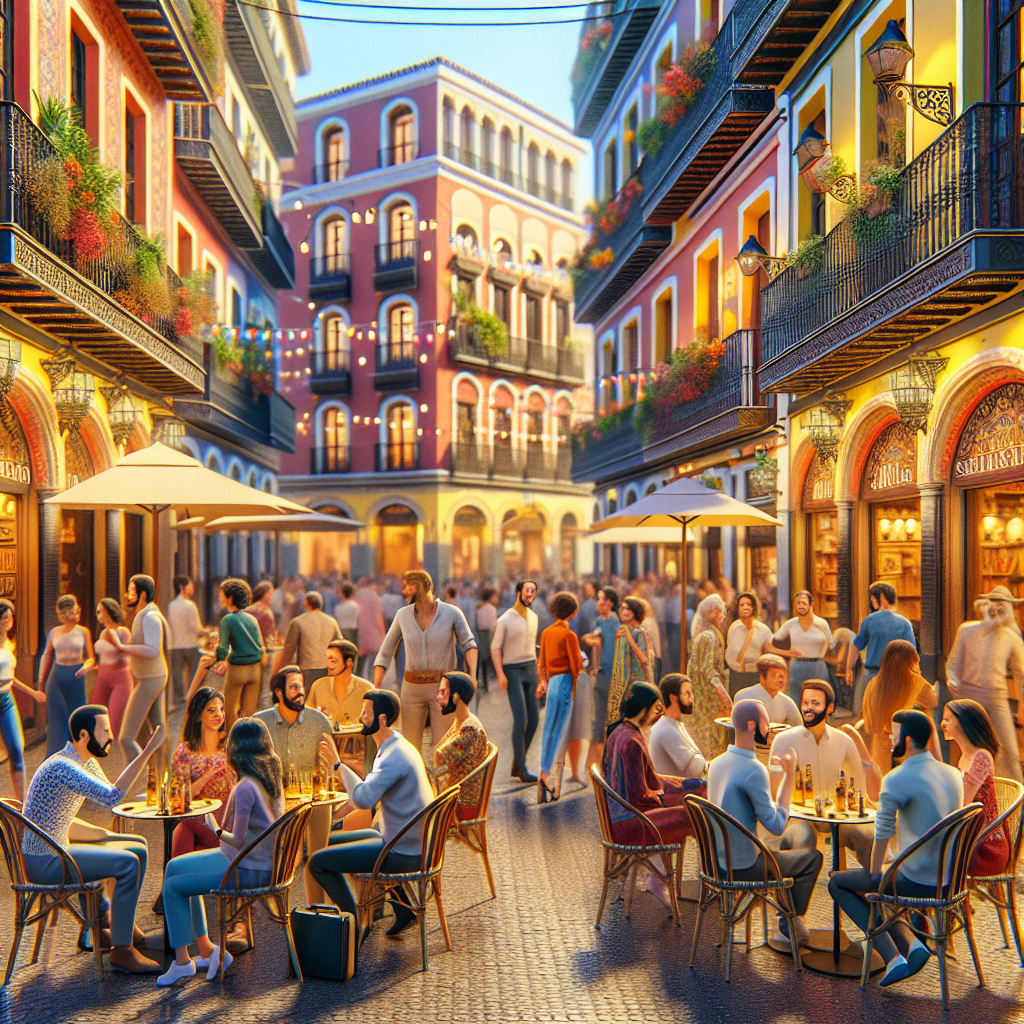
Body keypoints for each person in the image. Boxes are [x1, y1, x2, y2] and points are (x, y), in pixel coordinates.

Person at [21, 705, 165, 972]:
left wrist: (104, 835)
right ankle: (122, 951)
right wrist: (148, 751)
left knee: (138, 847)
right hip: (46, 860)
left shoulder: (84, 761)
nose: (111, 736)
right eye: (106, 730)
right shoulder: (63, 767)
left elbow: (65, 814)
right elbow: (113, 797)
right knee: (128, 863)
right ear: (85, 735)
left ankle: (119, 927)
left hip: (57, 848)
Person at [828, 710, 963, 986]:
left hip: (917, 880)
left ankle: (892, 957)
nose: (890, 738)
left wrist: (876, 872)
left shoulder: (896, 778)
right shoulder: (952, 774)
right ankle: (911, 944)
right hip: (951, 880)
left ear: (908, 739)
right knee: (882, 881)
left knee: (841, 883)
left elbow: (883, 833)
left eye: (895, 733)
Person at [157, 717, 286, 986]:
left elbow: (236, 840)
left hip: (243, 867)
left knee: (172, 886)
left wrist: (214, 827)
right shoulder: (268, 782)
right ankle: (208, 951)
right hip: (257, 864)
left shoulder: (245, 788)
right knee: (175, 867)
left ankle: (182, 963)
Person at [308, 689, 434, 938]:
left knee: (318, 862)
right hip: (404, 840)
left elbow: (364, 799)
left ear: (382, 718)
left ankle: (351, 922)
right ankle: (402, 909)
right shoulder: (394, 744)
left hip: (401, 852)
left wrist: (337, 765)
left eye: (366, 713)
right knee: (323, 842)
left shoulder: (393, 756)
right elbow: (367, 790)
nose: (360, 717)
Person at [707, 699, 823, 948]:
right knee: (812, 858)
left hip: (715, 863)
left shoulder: (716, 764)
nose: (769, 727)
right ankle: (788, 920)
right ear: (752, 725)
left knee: (794, 839)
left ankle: (785, 917)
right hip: (744, 866)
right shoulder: (753, 769)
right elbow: (777, 825)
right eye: (765, 722)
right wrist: (789, 776)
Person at [602, 683, 701, 905]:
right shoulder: (632, 742)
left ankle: (662, 875)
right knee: (695, 816)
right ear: (644, 710)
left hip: (618, 819)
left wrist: (683, 784)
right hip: (631, 824)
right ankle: (665, 879)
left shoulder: (619, 732)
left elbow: (650, 779)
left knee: (692, 798)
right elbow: (641, 798)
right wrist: (665, 799)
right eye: (657, 709)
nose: (659, 715)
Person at [771, 679, 882, 869]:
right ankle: (793, 897)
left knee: (868, 836)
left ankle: (873, 893)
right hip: (798, 817)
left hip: (835, 816)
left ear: (829, 708)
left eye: (815, 703)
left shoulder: (844, 740)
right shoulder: (784, 740)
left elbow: (863, 791)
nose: (808, 708)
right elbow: (774, 794)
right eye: (806, 703)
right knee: (802, 838)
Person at [375, 570, 478, 762]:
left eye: (407, 585)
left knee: (443, 748)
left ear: (421, 586)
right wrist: (377, 684)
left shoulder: (452, 613)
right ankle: (416, 789)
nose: (403, 590)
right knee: (410, 749)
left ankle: (443, 789)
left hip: (443, 688)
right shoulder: (402, 615)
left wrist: (472, 676)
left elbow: (469, 644)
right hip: (411, 688)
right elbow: (386, 650)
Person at [254, 666, 334, 904]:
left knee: (318, 858)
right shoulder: (260, 723)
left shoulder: (319, 721)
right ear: (279, 692)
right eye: (294, 687)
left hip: (314, 799)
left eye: (302, 687)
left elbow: (330, 762)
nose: (301, 692)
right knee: (284, 858)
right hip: (277, 801)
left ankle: (317, 912)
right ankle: (278, 913)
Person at [946, 586, 1024, 783]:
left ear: (1008, 609)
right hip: (968, 696)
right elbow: (953, 663)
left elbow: (1021, 674)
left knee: (1008, 750)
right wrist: (955, 691)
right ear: (985, 604)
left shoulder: (1012, 637)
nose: (996, 608)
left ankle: (1013, 798)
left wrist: (1022, 705)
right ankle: (964, 792)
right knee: (966, 746)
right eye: (993, 602)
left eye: (1001, 604)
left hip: (997, 698)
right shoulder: (966, 630)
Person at [941, 699, 1011, 877]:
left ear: (964, 722)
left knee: (932, 850)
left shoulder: (980, 757)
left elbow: (962, 805)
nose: (943, 724)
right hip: (972, 838)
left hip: (985, 848)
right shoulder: (966, 756)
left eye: (948, 719)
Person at [113, 574, 170, 772]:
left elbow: (152, 650)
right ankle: (160, 780)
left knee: (126, 737)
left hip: (150, 679)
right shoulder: (144, 614)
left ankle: (136, 782)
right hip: (151, 677)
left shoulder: (151, 617)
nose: (127, 595)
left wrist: (123, 648)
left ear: (142, 594)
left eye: (131, 591)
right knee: (158, 734)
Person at [860, 639, 938, 772]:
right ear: (912, 659)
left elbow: (868, 720)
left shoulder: (873, 683)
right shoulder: (915, 680)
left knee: (883, 784)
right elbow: (933, 702)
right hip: (906, 743)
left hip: (879, 744)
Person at [536, 591, 584, 802]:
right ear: (573, 613)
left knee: (550, 730)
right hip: (566, 683)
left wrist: (543, 681)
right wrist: (576, 689)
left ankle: (544, 773)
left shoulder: (546, 633)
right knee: (562, 732)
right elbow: (577, 667)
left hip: (552, 682)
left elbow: (541, 663)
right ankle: (551, 778)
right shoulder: (569, 636)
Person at [490, 580, 539, 783]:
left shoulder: (534, 617)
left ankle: (519, 762)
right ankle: (522, 766)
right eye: (527, 590)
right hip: (512, 670)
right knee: (521, 718)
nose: (530, 594)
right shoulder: (505, 619)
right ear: (518, 592)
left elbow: (532, 645)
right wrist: (501, 674)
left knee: (534, 719)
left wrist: (540, 673)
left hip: (530, 668)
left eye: (533, 591)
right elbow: (495, 648)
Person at [845, 582, 917, 717]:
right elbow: (911, 652)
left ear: (879, 598)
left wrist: (849, 668)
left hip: (874, 675)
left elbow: (856, 645)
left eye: (873, 597)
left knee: (871, 714)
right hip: (898, 677)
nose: (872, 601)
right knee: (895, 715)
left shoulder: (869, 621)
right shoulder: (905, 623)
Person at [0, 600, 45, 805]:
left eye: (9, 617)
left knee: (17, 751)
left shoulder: (10, 643)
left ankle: (22, 804)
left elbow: (10, 677)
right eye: (3, 617)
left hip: (6, 701)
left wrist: (31, 692)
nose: (7, 621)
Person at [38, 595, 94, 757]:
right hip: (56, 678)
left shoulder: (83, 631)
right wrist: (41, 681)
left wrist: (86, 667)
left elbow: (90, 657)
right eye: (66, 611)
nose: (70, 614)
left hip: (76, 675)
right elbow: (46, 655)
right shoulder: (54, 632)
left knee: (78, 719)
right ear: (60, 613)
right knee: (57, 723)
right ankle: (55, 761)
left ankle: (79, 759)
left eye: (72, 610)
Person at [210, 578, 265, 731]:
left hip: (237, 670)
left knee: (229, 712)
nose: (219, 598)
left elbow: (223, 649)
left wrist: (218, 659)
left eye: (221, 595)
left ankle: (232, 744)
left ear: (230, 598)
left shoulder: (228, 620)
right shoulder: (252, 619)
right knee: (250, 714)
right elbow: (260, 645)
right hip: (255, 669)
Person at [433, 671, 488, 819]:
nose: (438, 697)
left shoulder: (468, 728)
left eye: (443, 692)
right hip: (456, 794)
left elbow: (438, 759)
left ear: (456, 696)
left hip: (463, 803)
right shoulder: (461, 721)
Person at [769, 590, 834, 704]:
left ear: (810, 604)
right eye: (798, 603)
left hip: (817, 666)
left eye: (803, 603)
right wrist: (787, 653)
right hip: (797, 665)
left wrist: (822, 654)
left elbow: (830, 643)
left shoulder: (821, 623)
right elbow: (770, 643)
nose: (801, 606)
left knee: (819, 699)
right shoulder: (791, 624)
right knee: (796, 700)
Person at [687, 594, 732, 761]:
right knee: (712, 737)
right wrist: (722, 693)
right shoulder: (709, 636)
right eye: (721, 613)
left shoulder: (707, 634)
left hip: (703, 695)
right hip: (708, 697)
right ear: (714, 612)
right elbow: (707, 670)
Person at [582, 587, 620, 774]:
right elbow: (595, 645)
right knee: (603, 720)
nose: (598, 603)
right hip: (604, 674)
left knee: (604, 720)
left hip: (610, 676)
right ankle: (598, 764)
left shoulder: (615, 623)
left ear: (609, 603)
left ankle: (597, 764)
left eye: (601, 600)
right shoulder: (600, 621)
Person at [89, 599, 134, 754]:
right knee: (94, 715)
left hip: (120, 676)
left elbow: (125, 654)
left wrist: (113, 638)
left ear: (109, 612)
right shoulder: (103, 632)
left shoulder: (123, 632)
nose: (98, 615)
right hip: (102, 676)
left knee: (114, 724)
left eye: (100, 611)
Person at [273, 591, 342, 687]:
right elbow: (340, 644)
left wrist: (281, 669)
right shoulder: (332, 621)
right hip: (328, 668)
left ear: (307, 603)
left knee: (308, 699)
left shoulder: (298, 622)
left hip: (307, 668)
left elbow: (289, 650)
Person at [605, 597, 654, 732]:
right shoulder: (623, 630)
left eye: (629, 609)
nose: (624, 611)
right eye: (623, 608)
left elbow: (645, 659)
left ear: (635, 612)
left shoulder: (640, 633)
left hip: (638, 681)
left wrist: (629, 639)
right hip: (626, 682)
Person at [648, 673, 706, 779]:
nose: (691, 698)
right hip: (678, 793)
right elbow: (696, 769)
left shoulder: (673, 723)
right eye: (687, 693)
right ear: (673, 698)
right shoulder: (666, 729)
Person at [308, 638, 374, 727]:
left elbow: (373, 723)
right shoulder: (319, 685)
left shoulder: (367, 689)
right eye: (327, 659)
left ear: (349, 662)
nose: (328, 664)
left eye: (333, 660)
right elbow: (307, 717)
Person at [725, 591, 773, 697]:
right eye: (742, 605)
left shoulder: (762, 630)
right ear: (737, 608)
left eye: (749, 604)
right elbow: (730, 650)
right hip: (737, 675)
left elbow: (768, 650)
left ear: (754, 607)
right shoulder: (734, 628)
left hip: (754, 674)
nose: (745, 607)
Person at [733, 653, 801, 726]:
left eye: (781, 676)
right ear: (762, 677)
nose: (779, 680)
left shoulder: (786, 701)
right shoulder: (744, 696)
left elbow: (799, 729)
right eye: (774, 675)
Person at [167, 575, 202, 709]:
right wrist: (203, 632)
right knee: (195, 670)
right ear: (182, 587)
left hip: (176, 645)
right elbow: (196, 626)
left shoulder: (171, 605)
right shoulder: (190, 605)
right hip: (191, 643)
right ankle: (192, 695)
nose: (192, 588)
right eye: (190, 586)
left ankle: (179, 698)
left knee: (177, 672)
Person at [354, 577, 387, 678]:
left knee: (359, 666)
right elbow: (378, 620)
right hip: (374, 637)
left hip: (360, 635)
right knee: (373, 666)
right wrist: (383, 636)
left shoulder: (357, 596)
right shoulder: (376, 598)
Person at [474, 586, 498, 693]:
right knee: (490, 657)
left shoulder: (478, 607)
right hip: (489, 635)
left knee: (482, 659)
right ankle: (490, 680)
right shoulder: (491, 608)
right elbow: (493, 625)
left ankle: (483, 681)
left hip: (480, 635)